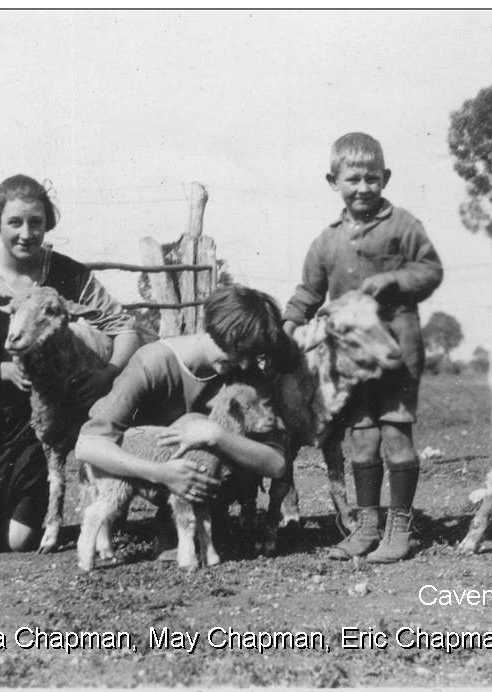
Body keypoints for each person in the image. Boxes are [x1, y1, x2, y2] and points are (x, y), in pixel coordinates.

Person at [0, 174, 141, 554]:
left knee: (18, 541)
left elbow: (125, 327)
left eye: (36, 222)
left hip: (40, 421)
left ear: (48, 223)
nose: (27, 233)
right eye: (15, 222)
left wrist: (108, 374)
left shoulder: (69, 275)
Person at [282, 132, 443, 564]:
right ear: (333, 180)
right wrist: (289, 323)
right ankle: (367, 524)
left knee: (395, 433)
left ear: (385, 178)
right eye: (353, 178)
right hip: (350, 359)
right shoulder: (327, 241)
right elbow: (308, 291)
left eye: (372, 178)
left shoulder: (403, 225)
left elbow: (429, 270)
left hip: (396, 351)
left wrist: (393, 281)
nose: (363, 187)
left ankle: (401, 526)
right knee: (362, 439)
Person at [74, 285, 290, 522]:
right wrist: (161, 474)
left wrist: (215, 434)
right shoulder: (153, 363)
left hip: (211, 486)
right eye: (239, 351)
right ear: (218, 329)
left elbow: (276, 463)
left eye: (254, 356)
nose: (246, 364)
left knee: (198, 424)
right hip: (150, 478)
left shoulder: (247, 378)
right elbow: (88, 445)